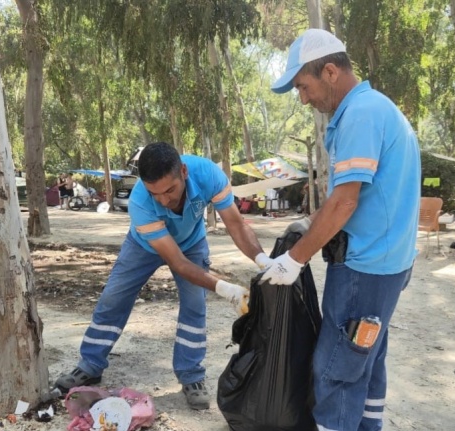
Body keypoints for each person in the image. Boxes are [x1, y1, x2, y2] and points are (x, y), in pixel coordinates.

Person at [263, 29, 420, 431]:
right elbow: (355, 197)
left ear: (330, 71)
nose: (303, 98)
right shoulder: (377, 108)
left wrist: (294, 261)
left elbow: (346, 202)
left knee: (335, 369)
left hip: (364, 268)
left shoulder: (361, 115)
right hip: (389, 266)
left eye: (303, 86)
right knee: (365, 360)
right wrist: (308, 224)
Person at [54, 142, 271, 410]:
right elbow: (177, 263)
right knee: (113, 299)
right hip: (143, 246)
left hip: (192, 243)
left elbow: (236, 225)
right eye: (155, 193)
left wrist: (263, 261)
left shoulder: (208, 175)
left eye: (170, 190)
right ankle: (90, 365)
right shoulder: (140, 203)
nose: (164, 201)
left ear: (183, 171)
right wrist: (226, 289)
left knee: (194, 306)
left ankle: (191, 376)